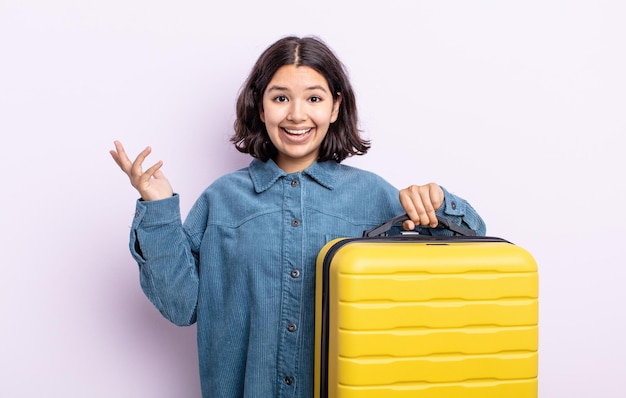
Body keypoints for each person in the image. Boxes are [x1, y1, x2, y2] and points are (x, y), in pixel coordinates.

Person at [110, 35, 486, 398]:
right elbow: (181, 306)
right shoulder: (221, 200)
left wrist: (438, 203)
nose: (296, 114)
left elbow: (471, 257)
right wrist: (158, 207)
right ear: (261, 106)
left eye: (314, 98)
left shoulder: (374, 196)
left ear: (335, 107)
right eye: (280, 98)